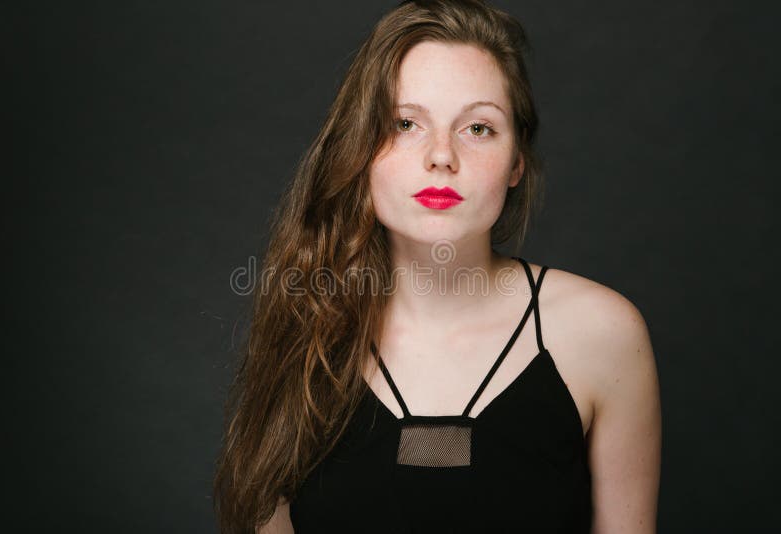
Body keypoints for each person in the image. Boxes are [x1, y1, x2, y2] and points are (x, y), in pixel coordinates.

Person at [213, 0, 662, 532]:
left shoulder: (602, 334)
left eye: (478, 128)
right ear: (359, 147)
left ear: (517, 161)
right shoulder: (306, 324)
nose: (441, 156)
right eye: (405, 123)